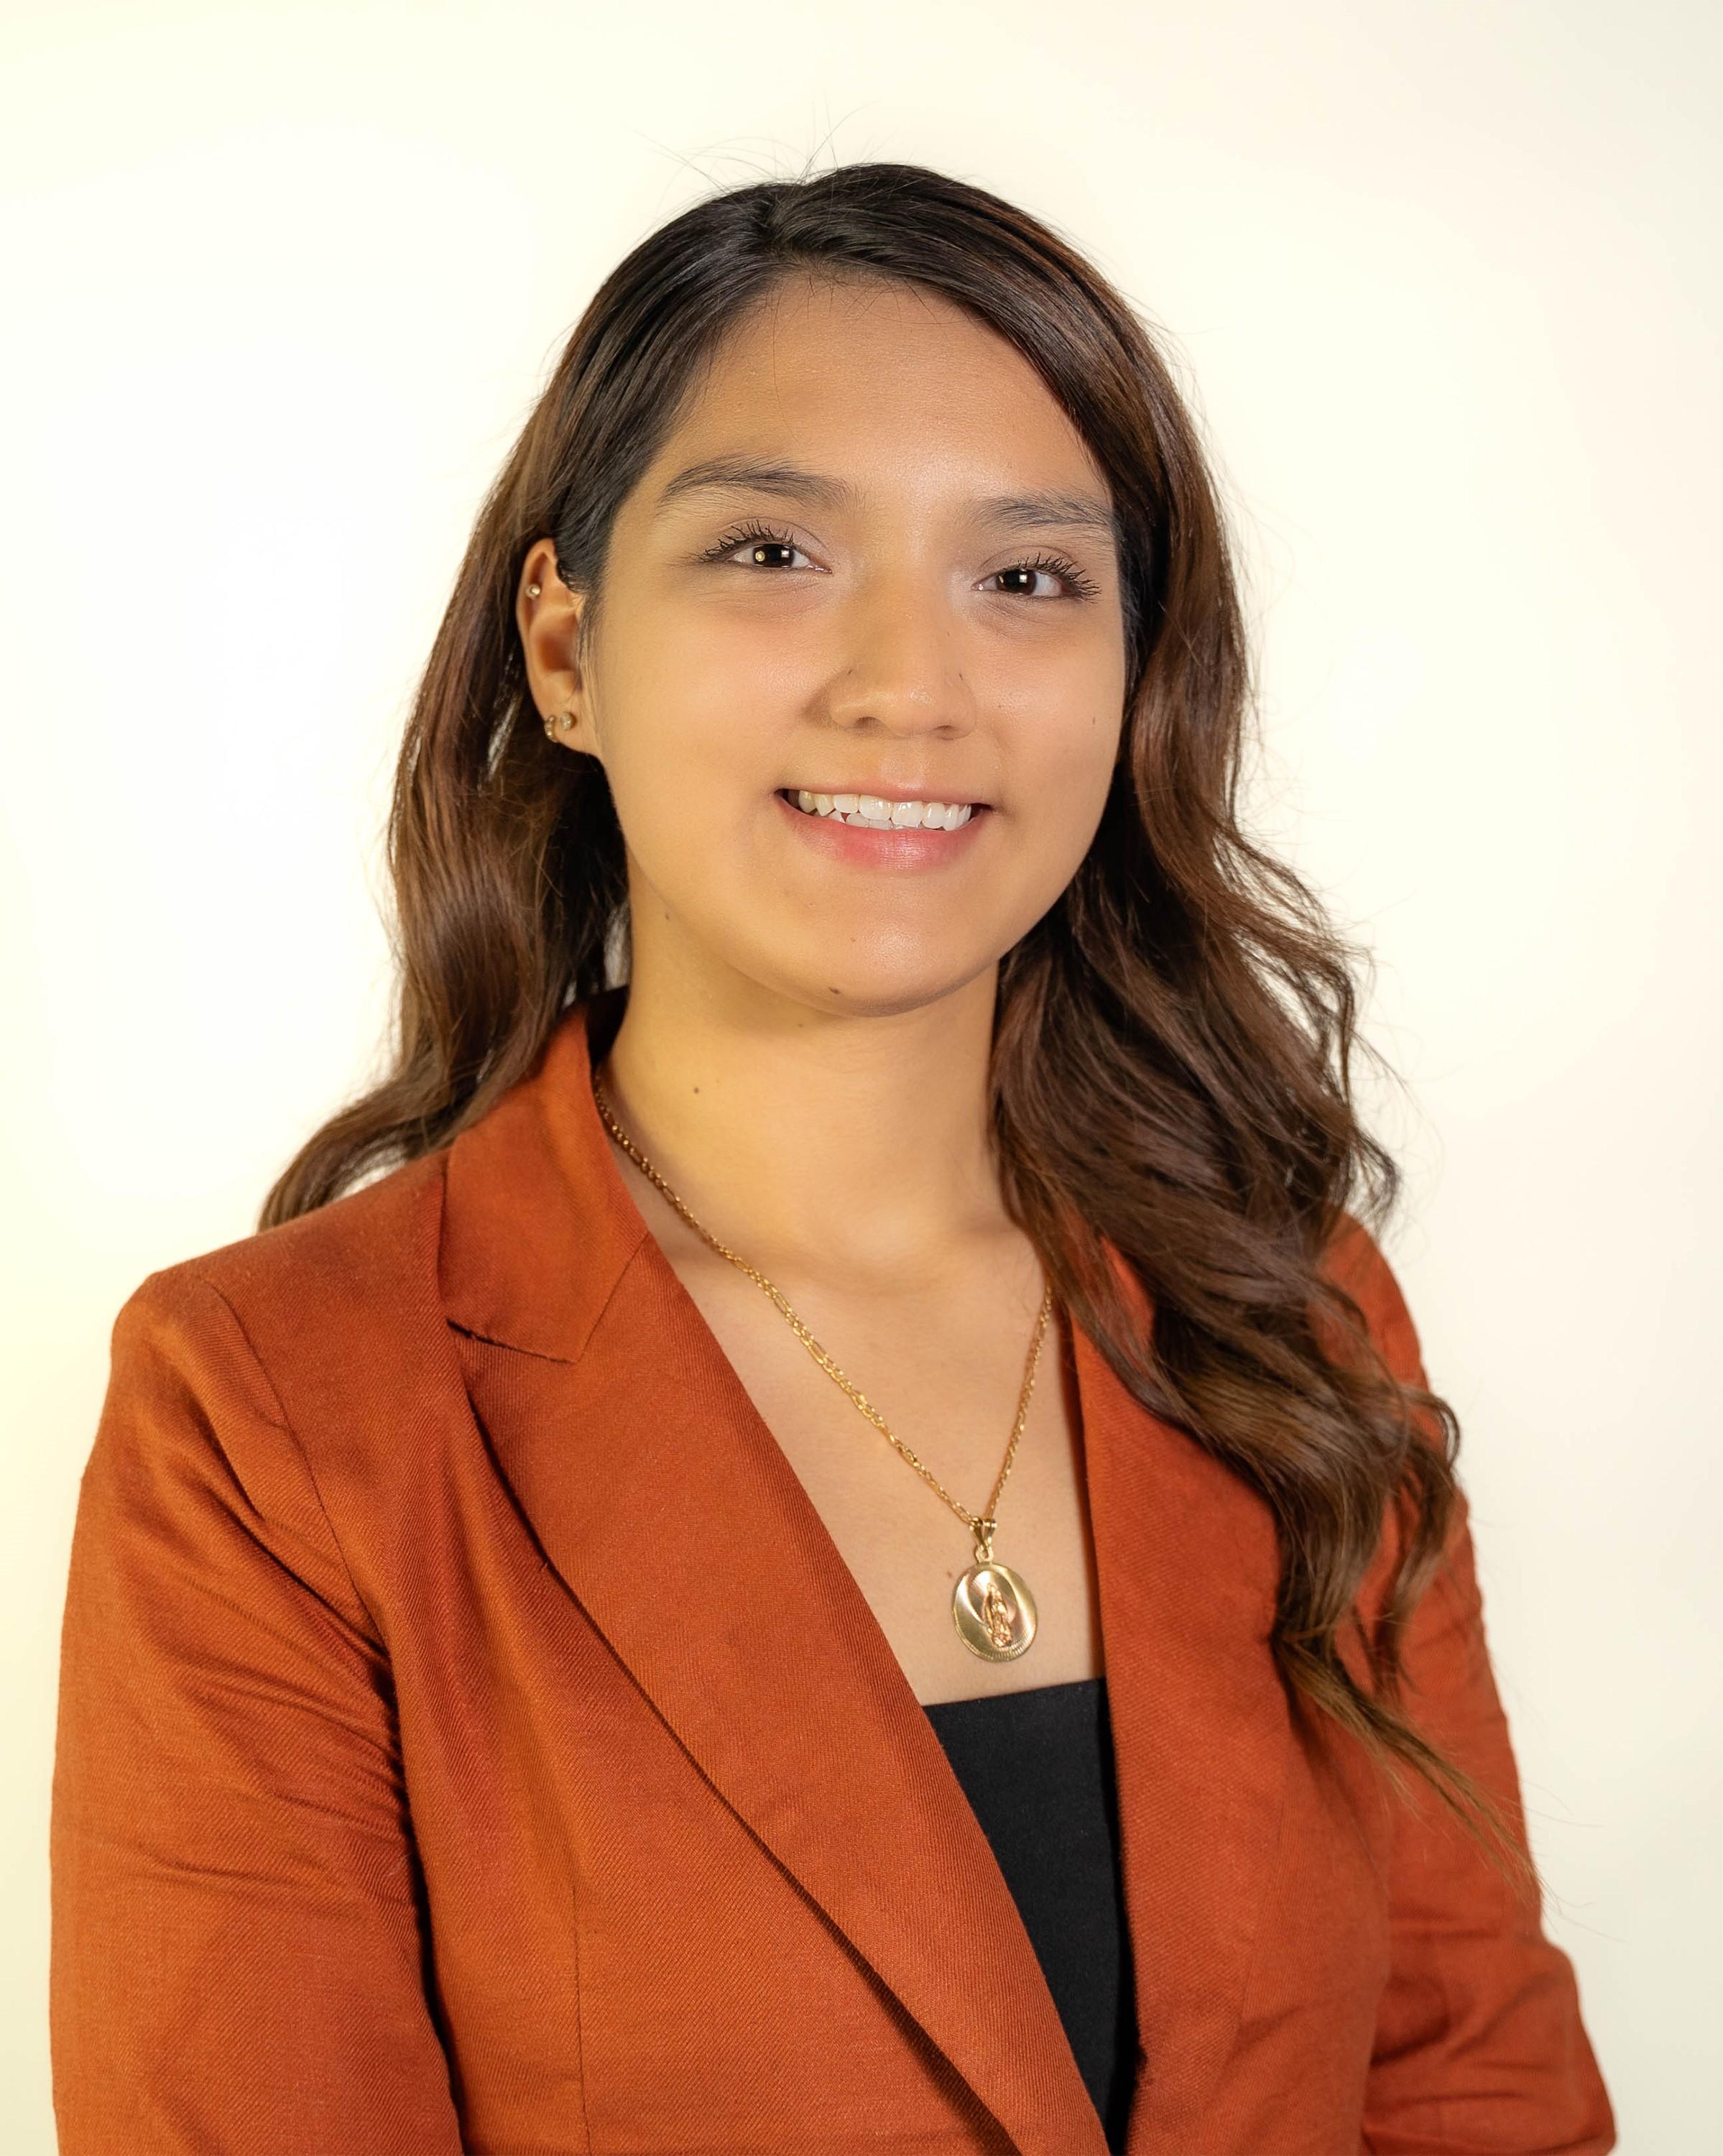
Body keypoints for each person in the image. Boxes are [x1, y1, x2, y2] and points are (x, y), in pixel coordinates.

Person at [49, 161, 1615, 2155]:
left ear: (1138, 676)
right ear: (564, 645)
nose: (910, 683)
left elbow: (1470, 2087)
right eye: (776, 551)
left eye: (1028, 577)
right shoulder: (278, 1415)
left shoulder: (1285, 1313)